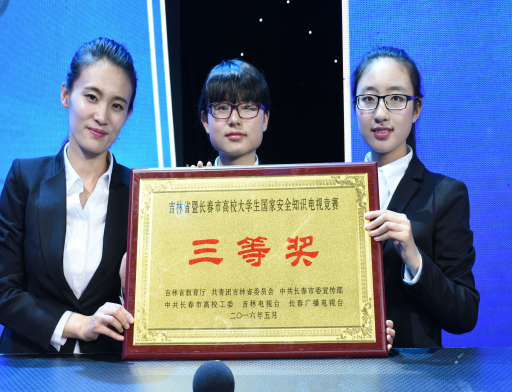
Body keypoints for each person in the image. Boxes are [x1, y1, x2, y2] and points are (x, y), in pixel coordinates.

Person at [190, 58, 396, 350]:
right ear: (204, 120)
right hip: (209, 345)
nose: (234, 119)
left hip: (277, 350)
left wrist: (365, 328)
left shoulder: (298, 199)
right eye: (222, 108)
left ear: (265, 119)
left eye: (248, 107)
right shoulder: (183, 199)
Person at [0, 38, 136, 353]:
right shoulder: (25, 179)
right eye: (91, 97)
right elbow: (3, 292)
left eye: (117, 105)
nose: (102, 116)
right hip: (28, 363)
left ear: (127, 115)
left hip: (109, 368)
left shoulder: (139, 193)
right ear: (66, 94)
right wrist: (79, 324)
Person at [353, 46, 480, 348]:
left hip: (417, 369)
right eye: (368, 99)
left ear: (417, 108)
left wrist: (413, 257)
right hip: (345, 367)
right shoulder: (335, 192)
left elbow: (464, 314)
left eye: (396, 99)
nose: (380, 114)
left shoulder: (445, 194)